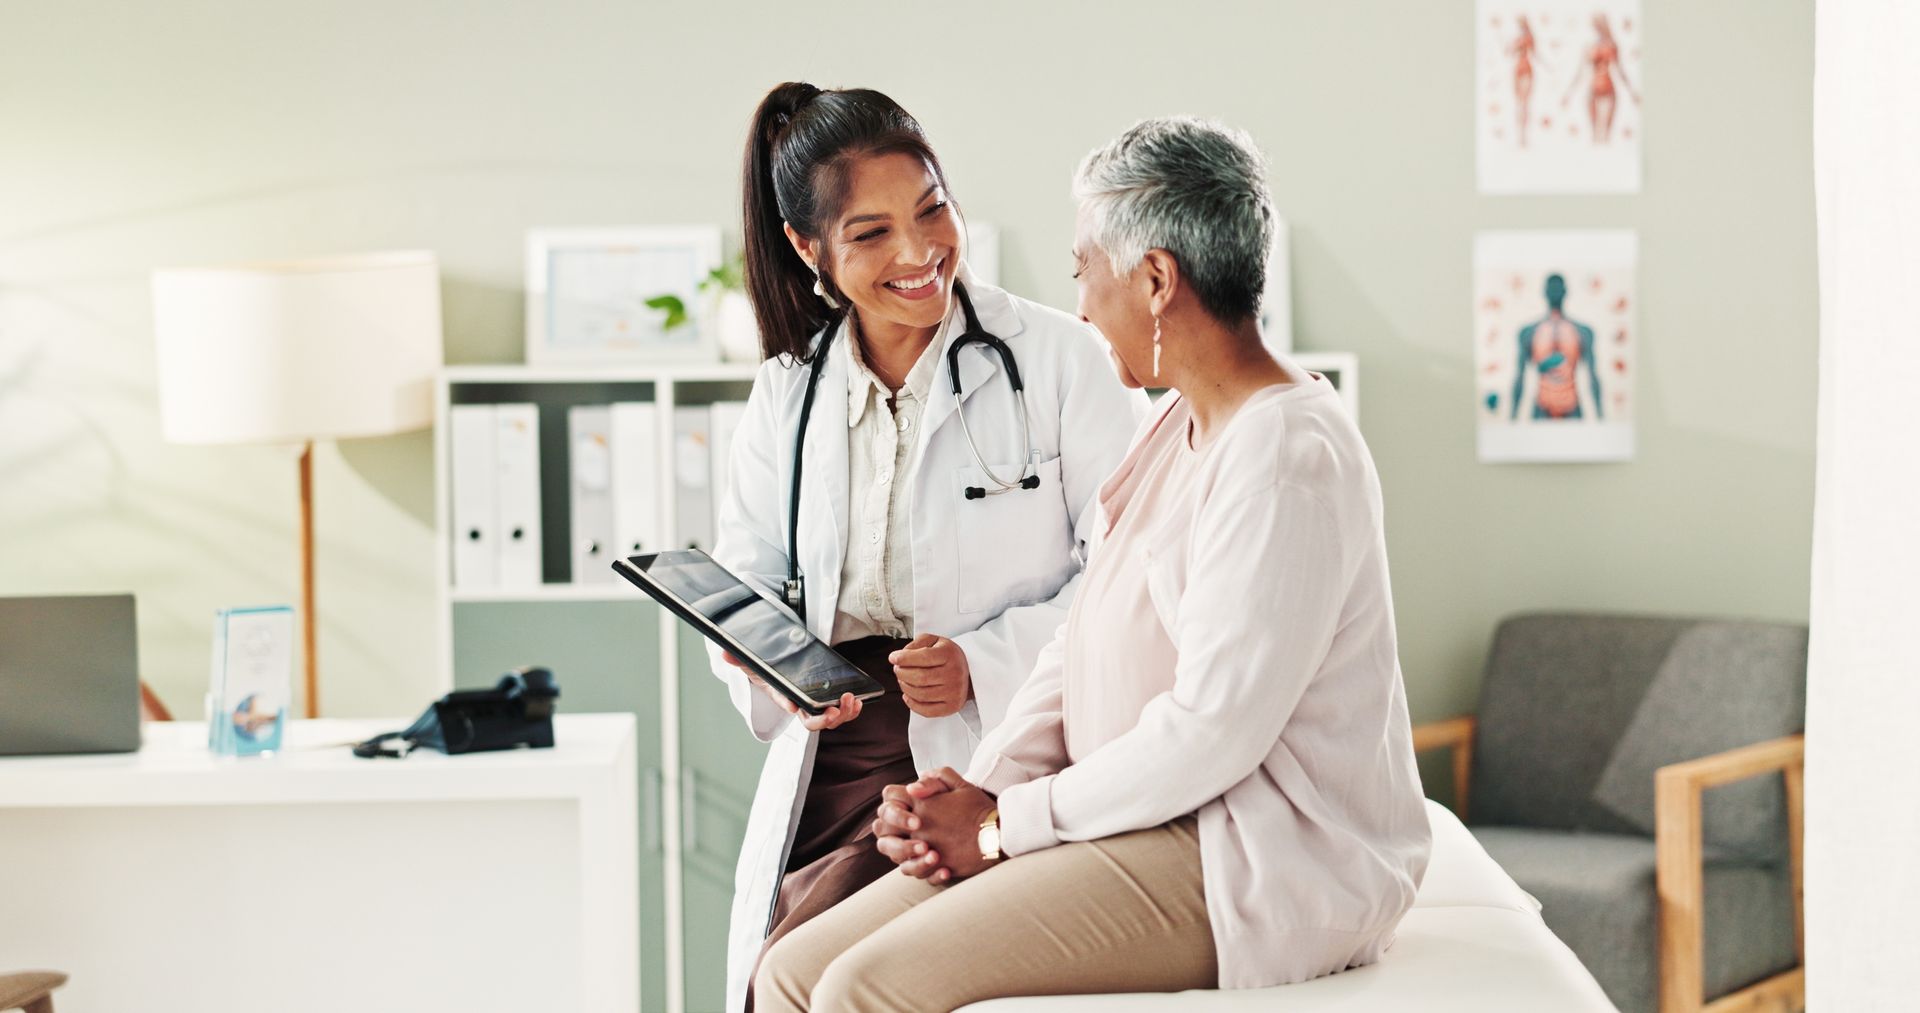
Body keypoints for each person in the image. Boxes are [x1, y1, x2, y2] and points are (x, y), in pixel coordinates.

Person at [753, 116, 1432, 1012]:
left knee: (863, 988)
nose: (1077, 306)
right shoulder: (1172, 426)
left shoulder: (1285, 455)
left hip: (1243, 852)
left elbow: (1213, 731)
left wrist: (1003, 825)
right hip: (1133, 815)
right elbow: (1076, 645)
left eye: (1085, 272)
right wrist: (980, 785)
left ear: (1155, 280)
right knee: (791, 971)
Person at [709, 82, 1147, 1011]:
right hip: (833, 760)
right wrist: (763, 661)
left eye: (933, 209)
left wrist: (983, 662)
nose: (918, 253)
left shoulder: (1064, 361)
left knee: (838, 973)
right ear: (808, 249)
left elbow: (1137, 572)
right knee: (785, 965)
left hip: (993, 740)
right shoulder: (787, 395)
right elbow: (749, 578)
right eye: (870, 235)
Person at [1509, 273, 1602, 421]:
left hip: (1572, 408)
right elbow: (1520, 377)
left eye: (1558, 289)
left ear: (1565, 292)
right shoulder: (1529, 332)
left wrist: (1601, 418)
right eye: (1551, 289)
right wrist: (1512, 419)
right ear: (1544, 292)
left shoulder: (1583, 331)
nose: (1555, 292)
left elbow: (1593, 376)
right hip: (1541, 407)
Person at [1563, 13, 1638, 143]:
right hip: (1593, 89)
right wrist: (1568, 93)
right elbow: (1580, 72)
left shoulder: (1612, 45)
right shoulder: (1589, 46)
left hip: (1608, 88)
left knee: (1607, 134)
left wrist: (1632, 92)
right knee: (1594, 134)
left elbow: (1620, 71)